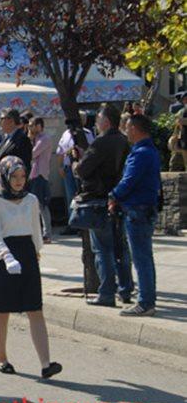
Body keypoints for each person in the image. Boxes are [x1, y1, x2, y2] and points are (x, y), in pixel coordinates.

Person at [0, 156, 62, 379]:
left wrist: (37, 250)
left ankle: (46, 363)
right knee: (2, 312)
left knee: (35, 309)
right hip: (3, 258)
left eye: (22, 176)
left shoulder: (31, 199)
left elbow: (35, 228)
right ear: (4, 177)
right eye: (14, 177)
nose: (19, 181)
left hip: (27, 254)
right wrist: (7, 258)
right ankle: (1, 358)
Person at [74, 104, 133, 308]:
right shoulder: (123, 141)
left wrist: (77, 162)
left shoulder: (101, 142)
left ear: (106, 121)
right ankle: (125, 290)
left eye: (98, 119)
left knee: (103, 249)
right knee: (121, 248)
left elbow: (82, 170)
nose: (96, 123)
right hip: (118, 198)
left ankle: (107, 293)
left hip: (99, 199)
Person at [110, 114, 161, 317]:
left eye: (128, 127)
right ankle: (147, 299)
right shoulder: (149, 150)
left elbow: (129, 181)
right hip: (143, 209)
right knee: (145, 257)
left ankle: (145, 302)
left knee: (141, 259)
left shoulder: (141, 153)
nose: (126, 130)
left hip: (137, 210)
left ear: (137, 129)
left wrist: (113, 195)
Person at [56, 117, 95, 234]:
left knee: (81, 195)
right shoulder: (66, 134)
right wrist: (60, 167)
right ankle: (72, 224)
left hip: (82, 169)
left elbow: (92, 152)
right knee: (70, 196)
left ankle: (82, 225)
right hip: (68, 169)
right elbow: (60, 152)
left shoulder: (87, 134)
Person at [27, 117, 53, 243]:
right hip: (33, 174)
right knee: (34, 204)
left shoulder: (44, 139)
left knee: (42, 205)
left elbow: (32, 153)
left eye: (32, 125)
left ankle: (47, 233)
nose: (30, 128)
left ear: (39, 126)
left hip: (40, 175)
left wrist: (30, 139)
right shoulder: (36, 139)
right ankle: (38, 232)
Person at [0, 108, 33, 180]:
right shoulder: (6, 138)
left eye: (2, 118)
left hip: (13, 186)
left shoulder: (22, 140)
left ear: (11, 121)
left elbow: (24, 166)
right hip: (2, 185)